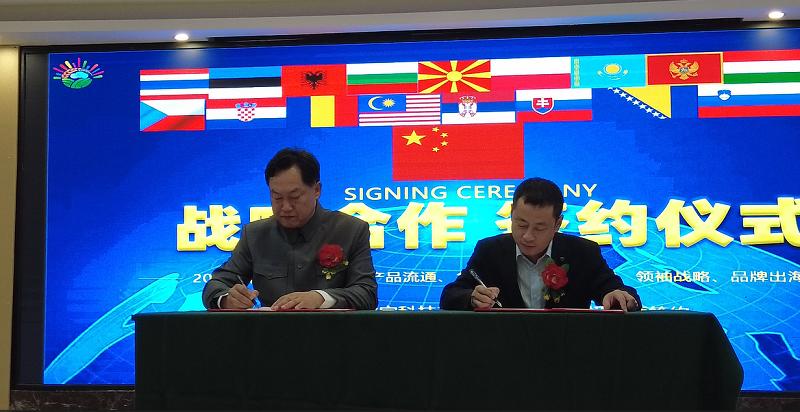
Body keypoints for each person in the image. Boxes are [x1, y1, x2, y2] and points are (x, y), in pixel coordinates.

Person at [202, 148, 378, 310]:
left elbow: (366, 293)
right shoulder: (255, 234)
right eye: (277, 197)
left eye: (295, 197)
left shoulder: (351, 230)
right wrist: (227, 299)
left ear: (317, 190)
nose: (285, 207)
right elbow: (216, 285)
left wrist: (320, 298)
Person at [440, 177, 640, 311]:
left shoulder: (582, 252)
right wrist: (472, 298)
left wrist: (618, 296)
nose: (527, 236)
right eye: (521, 224)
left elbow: (622, 293)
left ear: (557, 224)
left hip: (566, 351)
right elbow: (451, 295)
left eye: (539, 228)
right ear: (511, 214)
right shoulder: (490, 251)